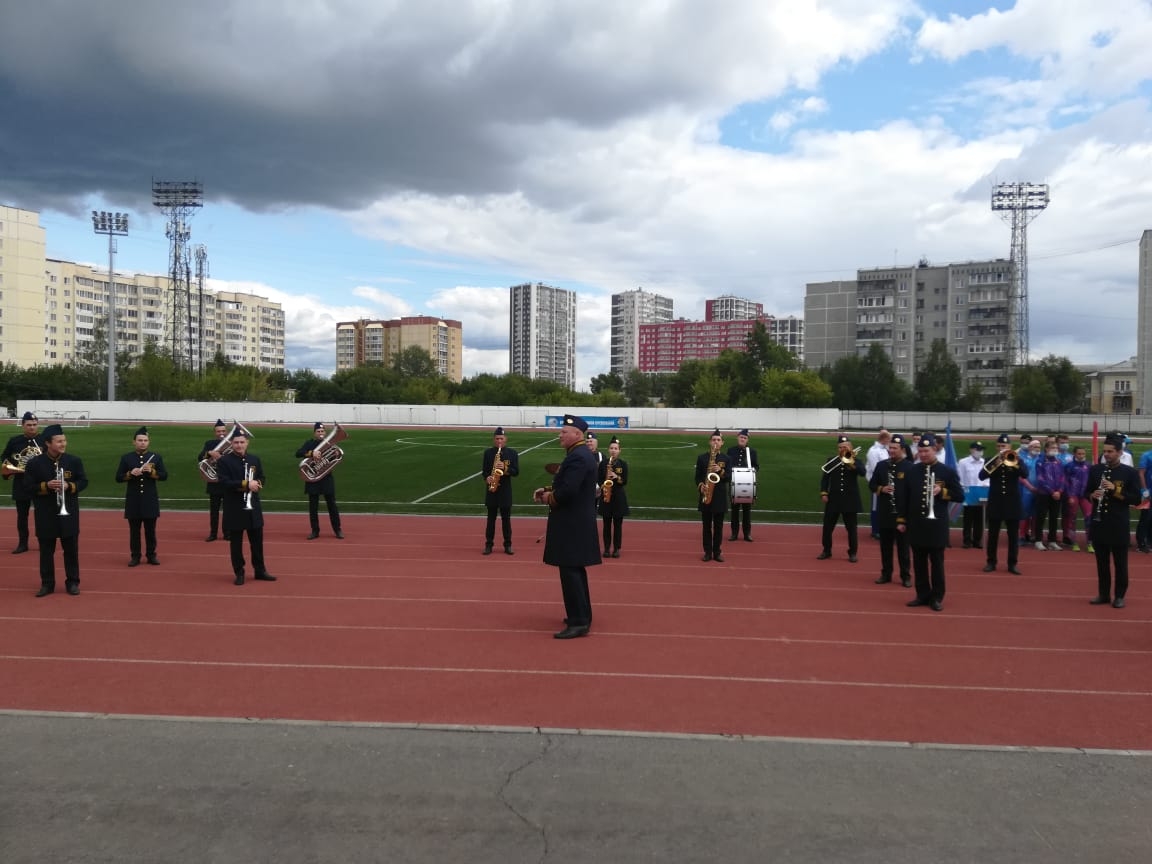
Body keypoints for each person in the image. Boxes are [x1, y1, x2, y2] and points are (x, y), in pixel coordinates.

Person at [533, 414, 601, 639]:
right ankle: (581, 615)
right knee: (575, 571)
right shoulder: (579, 454)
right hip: (575, 522)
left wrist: (548, 498)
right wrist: (547, 488)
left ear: (577, 435)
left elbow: (569, 491)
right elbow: (568, 482)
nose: (560, 435)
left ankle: (579, 621)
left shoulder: (578, 457)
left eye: (563, 432)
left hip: (572, 524)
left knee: (571, 572)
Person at [898, 433, 964, 612]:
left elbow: (959, 495)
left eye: (926, 451)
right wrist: (901, 519)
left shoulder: (947, 471)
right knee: (918, 563)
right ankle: (922, 594)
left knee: (937, 563)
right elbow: (904, 497)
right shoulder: (912, 470)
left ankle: (937, 596)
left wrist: (942, 491)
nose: (923, 454)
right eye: (920, 451)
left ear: (934, 449)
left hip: (936, 526)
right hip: (917, 523)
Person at [23, 424, 88, 596]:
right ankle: (47, 584)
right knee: (46, 551)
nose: (63, 444)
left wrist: (69, 485)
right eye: (59, 441)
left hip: (69, 513)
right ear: (48, 443)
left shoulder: (73, 461)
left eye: (64, 440)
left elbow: (83, 481)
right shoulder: (34, 464)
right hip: (45, 513)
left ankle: (73, 582)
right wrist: (46, 486)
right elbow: (28, 487)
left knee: (71, 550)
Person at [1087, 434, 1142, 608]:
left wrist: (1115, 491)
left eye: (1110, 451)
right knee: (1101, 562)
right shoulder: (1096, 470)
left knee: (1120, 562)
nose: (1107, 454)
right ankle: (1103, 594)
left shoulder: (1129, 473)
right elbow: (1086, 491)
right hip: (1099, 522)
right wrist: (1092, 495)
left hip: (1118, 522)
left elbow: (1136, 499)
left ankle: (1119, 595)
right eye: (1105, 451)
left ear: (1119, 452)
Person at [216, 429, 276, 586]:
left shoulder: (254, 459)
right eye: (236, 442)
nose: (239, 445)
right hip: (234, 508)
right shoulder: (224, 461)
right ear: (231, 443)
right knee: (236, 544)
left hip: (253, 507)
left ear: (247, 443)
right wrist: (245, 484)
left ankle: (260, 570)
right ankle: (239, 572)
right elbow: (224, 482)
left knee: (257, 543)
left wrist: (257, 485)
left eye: (242, 442)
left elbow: (261, 477)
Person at [115, 426, 168, 566]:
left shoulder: (156, 457)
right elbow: (118, 478)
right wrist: (130, 474)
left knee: (150, 531)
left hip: (149, 499)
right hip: (133, 500)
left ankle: (151, 555)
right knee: (134, 532)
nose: (142, 443)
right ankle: (135, 556)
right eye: (140, 440)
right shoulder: (126, 458)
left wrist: (151, 472)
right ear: (134, 442)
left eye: (145, 440)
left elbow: (164, 476)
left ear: (148, 442)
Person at [980, 433, 1028, 575]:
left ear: (1009, 447)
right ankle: (991, 562)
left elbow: (1025, 474)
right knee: (993, 535)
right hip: (996, 502)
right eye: (1000, 446)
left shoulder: (1016, 459)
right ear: (997, 447)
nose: (1002, 448)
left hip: (1012, 502)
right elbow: (981, 476)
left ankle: (1012, 563)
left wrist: (1016, 462)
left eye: (1004, 446)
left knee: (1013, 536)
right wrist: (996, 461)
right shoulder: (991, 460)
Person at [869, 433, 912, 587]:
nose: (892, 450)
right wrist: (882, 488)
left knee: (903, 548)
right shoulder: (882, 465)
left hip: (902, 514)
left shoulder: (909, 466)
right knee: (885, 547)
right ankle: (886, 573)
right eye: (890, 447)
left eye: (895, 448)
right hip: (885, 512)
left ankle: (905, 576)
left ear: (902, 449)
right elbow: (872, 485)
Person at [818, 434, 865, 563]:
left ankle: (852, 553)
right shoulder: (831, 460)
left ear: (850, 448)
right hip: (834, 499)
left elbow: (862, 472)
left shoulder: (856, 460)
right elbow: (825, 479)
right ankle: (826, 550)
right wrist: (824, 493)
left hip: (850, 500)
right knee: (827, 527)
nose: (842, 449)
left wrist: (851, 462)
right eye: (840, 447)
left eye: (845, 447)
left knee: (851, 529)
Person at [2, 411, 43, 554]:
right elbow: (4, 458)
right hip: (21, 482)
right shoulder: (15, 441)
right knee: (21, 516)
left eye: (35, 425)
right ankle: (22, 543)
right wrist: (12, 468)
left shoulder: (44, 440)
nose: (32, 427)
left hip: (40, 483)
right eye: (29, 425)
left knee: (42, 515)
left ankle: (44, 542)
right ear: (23, 425)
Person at [295, 422, 343, 540]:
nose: (321, 433)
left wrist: (336, 453)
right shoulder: (309, 443)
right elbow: (298, 453)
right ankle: (315, 531)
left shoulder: (330, 444)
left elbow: (335, 457)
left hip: (326, 477)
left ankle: (337, 530)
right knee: (313, 507)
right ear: (314, 433)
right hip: (313, 479)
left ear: (325, 432)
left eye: (322, 431)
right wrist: (312, 453)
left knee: (332, 505)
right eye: (318, 431)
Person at [695, 429, 732, 562]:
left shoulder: (726, 458)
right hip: (706, 495)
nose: (716, 442)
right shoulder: (702, 458)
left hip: (720, 497)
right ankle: (707, 552)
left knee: (718, 527)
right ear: (710, 442)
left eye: (718, 440)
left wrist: (720, 470)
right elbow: (697, 477)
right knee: (706, 527)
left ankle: (717, 552)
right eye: (714, 440)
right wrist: (701, 486)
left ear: (722, 443)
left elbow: (729, 477)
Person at [481, 427, 519, 555]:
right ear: (494, 439)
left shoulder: (512, 453)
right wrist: (487, 477)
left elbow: (516, 472)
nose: (499, 441)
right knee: (490, 519)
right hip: (492, 490)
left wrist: (505, 468)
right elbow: (485, 471)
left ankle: (508, 545)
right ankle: (488, 545)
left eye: (501, 439)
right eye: (497, 439)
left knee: (506, 520)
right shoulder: (488, 453)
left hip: (505, 491)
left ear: (505, 439)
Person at [198, 419, 230, 542]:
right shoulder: (209, 443)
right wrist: (209, 453)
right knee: (214, 510)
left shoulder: (231, 443)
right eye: (218, 431)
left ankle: (227, 533)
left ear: (226, 432)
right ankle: (213, 533)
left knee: (228, 510)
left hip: (227, 481)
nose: (221, 433)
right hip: (214, 481)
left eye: (223, 431)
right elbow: (200, 457)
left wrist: (223, 457)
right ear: (214, 432)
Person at [598, 435, 629, 558]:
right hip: (606, 496)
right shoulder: (603, 464)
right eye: (611, 448)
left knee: (617, 525)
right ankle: (606, 548)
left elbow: (625, 481)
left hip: (618, 498)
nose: (613, 450)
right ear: (608, 449)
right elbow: (599, 479)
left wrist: (617, 477)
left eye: (616, 448)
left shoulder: (623, 464)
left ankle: (616, 548)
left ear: (619, 450)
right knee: (606, 525)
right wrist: (604, 485)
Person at [1032, 440, 1066, 551]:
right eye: (1052, 447)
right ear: (1046, 449)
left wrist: (1059, 491)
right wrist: (1052, 491)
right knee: (1041, 517)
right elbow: (1040, 479)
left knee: (1054, 518)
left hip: (1056, 495)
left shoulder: (1059, 462)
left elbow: (1062, 478)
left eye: (1056, 448)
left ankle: (1052, 541)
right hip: (1044, 494)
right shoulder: (1040, 462)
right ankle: (1038, 540)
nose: (1055, 449)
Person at [727, 428, 759, 542]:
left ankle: (747, 534)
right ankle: (734, 533)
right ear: (737, 438)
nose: (742, 439)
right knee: (734, 511)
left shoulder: (752, 452)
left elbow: (756, 467)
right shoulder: (731, 450)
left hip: (747, 485)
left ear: (747, 440)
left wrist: (750, 472)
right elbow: (727, 465)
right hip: (734, 484)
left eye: (745, 438)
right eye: (741, 437)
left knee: (747, 511)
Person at [956, 440, 988, 549]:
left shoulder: (984, 462)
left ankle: (977, 540)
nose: (980, 452)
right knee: (968, 518)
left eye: (981, 450)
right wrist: (963, 489)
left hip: (981, 492)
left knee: (980, 517)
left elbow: (987, 478)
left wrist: (985, 487)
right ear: (971, 450)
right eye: (977, 449)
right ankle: (967, 540)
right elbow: (960, 477)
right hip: (969, 493)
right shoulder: (963, 462)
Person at [1063, 446, 1093, 552]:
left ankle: (1090, 542)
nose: (1081, 456)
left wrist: (1090, 494)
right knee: (1072, 518)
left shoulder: (1089, 465)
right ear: (1074, 454)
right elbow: (1065, 482)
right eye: (1079, 454)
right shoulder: (1069, 466)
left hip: (1085, 496)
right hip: (1073, 494)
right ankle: (1074, 542)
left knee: (1089, 517)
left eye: (1083, 454)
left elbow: (1092, 481)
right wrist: (1069, 495)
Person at [865, 428, 892, 540]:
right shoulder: (873, 451)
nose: (890, 441)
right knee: (876, 506)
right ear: (884, 439)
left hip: (887, 482)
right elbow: (876, 468)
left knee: (884, 506)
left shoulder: (885, 449)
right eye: (889, 439)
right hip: (877, 483)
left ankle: (882, 528)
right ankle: (875, 530)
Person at [1136, 444, 1152, 554]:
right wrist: (1144, 490)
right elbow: (1141, 473)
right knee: (1145, 517)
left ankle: (1150, 541)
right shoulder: (1146, 455)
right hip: (1148, 492)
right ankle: (1141, 542)